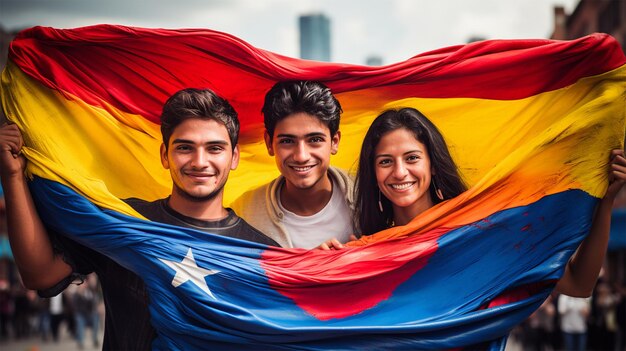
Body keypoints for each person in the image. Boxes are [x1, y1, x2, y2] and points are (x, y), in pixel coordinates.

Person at [0, 88, 278, 350]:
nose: (199, 161)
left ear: (234, 157)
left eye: (214, 148)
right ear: (165, 155)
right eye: (184, 148)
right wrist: (12, 176)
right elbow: (39, 274)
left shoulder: (263, 251)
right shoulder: (124, 221)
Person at [353, 107, 626, 298]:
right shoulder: (369, 251)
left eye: (412, 158)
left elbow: (580, 285)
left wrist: (605, 201)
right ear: (373, 173)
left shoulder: (479, 233)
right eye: (386, 161)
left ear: (433, 165)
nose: (400, 172)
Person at [232, 81, 356, 249]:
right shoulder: (243, 213)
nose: (301, 156)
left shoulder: (370, 195)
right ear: (269, 143)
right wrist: (308, 265)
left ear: (335, 142)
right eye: (287, 141)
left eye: (315, 140)